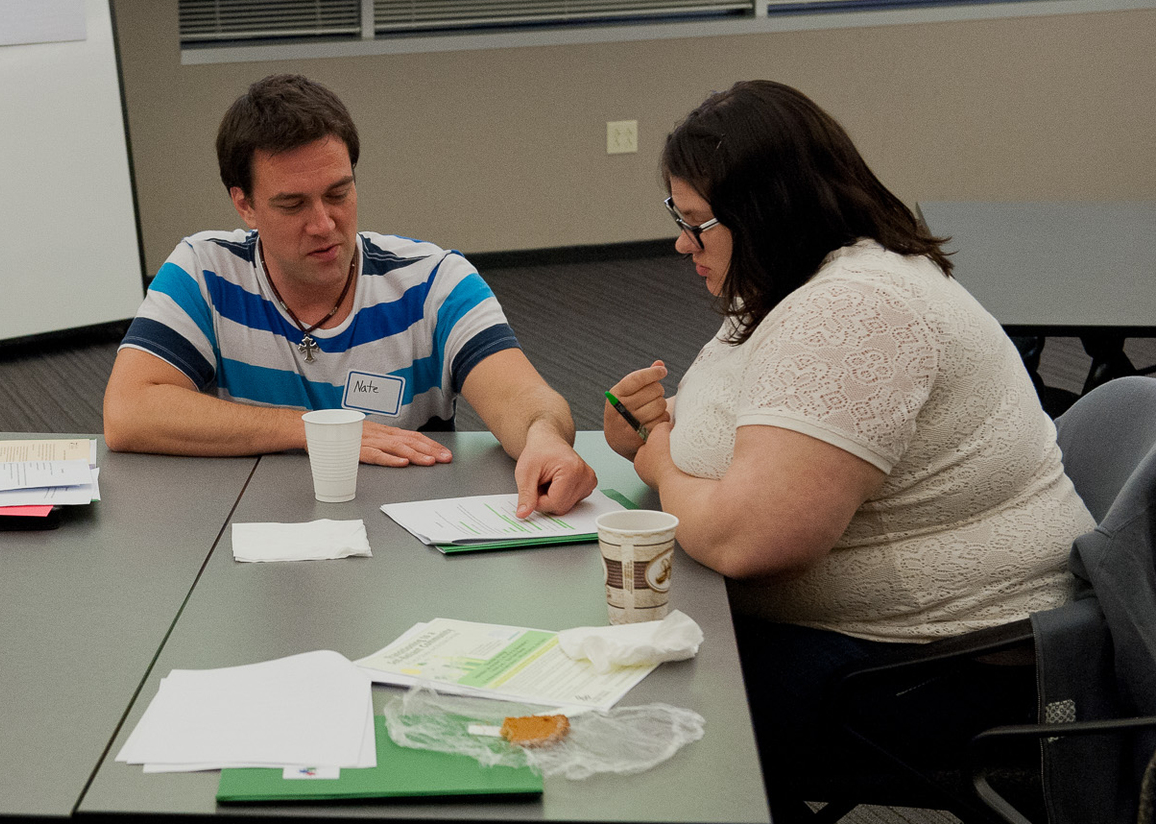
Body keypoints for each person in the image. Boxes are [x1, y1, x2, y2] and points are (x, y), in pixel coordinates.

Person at [604, 81, 1093, 815]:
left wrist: (660, 463)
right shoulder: (793, 284)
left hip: (954, 664)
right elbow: (767, 422)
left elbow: (748, 542)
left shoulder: (857, 311)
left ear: (766, 214)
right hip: (895, 643)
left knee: (641, 713)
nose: (681, 242)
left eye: (697, 223)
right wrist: (649, 422)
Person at [104, 74, 595, 517]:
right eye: (293, 204)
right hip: (253, 526)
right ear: (245, 205)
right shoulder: (204, 271)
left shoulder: (433, 282)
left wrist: (545, 438)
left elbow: (526, 400)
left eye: (338, 194)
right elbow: (128, 412)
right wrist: (317, 430)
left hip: (404, 540)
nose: (324, 224)